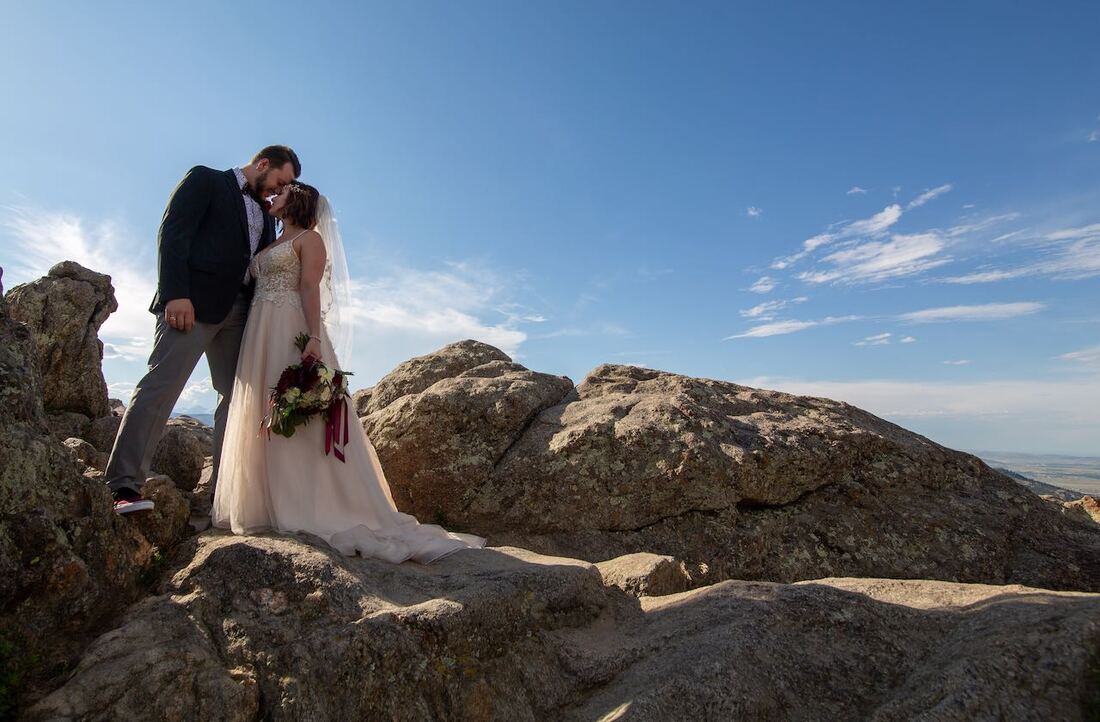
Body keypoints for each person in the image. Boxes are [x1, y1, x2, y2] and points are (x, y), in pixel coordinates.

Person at [210, 181, 486, 564]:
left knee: (301, 412)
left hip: (289, 327)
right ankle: (264, 502)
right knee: (263, 406)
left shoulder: (310, 240)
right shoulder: (268, 244)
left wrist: (313, 340)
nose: (274, 196)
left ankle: (310, 503)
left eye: (282, 193)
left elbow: (310, 288)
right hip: (259, 329)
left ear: (298, 201)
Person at [106, 146, 301, 514]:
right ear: (262, 164)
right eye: (280, 180)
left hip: (241, 314)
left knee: (238, 400)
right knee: (161, 386)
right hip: (191, 306)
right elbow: (173, 233)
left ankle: (223, 495)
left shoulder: (265, 210)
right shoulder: (205, 180)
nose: (279, 190)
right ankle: (123, 485)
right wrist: (176, 294)